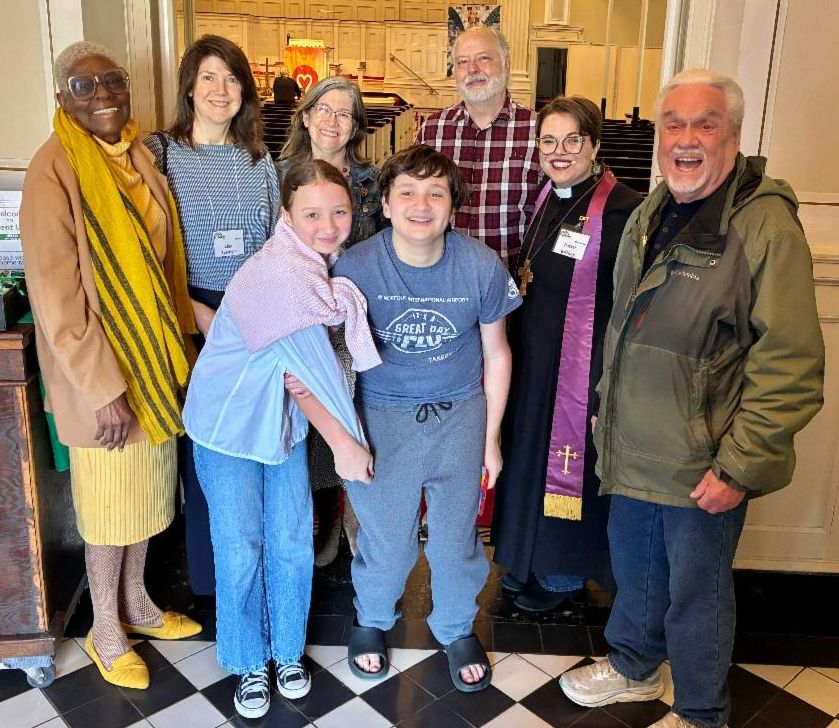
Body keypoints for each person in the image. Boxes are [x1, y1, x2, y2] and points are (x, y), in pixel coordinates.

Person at [559, 69, 825, 728]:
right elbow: (625, 326)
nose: (685, 139)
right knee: (636, 573)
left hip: (703, 460)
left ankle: (702, 712)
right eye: (672, 124)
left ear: (733, 135)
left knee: (695, 594)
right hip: (633, 444)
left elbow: (790, 364)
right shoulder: (652, 210)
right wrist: (605, 406)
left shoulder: (764, 227)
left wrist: (738, 465)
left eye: (704, 124)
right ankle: (634, 669)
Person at [20, 41, 202, 690]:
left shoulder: (135, 154)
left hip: (151, 365)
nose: (101, 94)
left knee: (144, 501)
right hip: (101, 379)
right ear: (61, 97)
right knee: (106, 511)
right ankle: (104, 630)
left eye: (112, 80)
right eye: (83, 85)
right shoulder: (53, 170)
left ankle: (138, 605)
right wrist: (104, 391)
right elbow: (57, 298)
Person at [183, 159, 379, 719]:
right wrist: (348, 446)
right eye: (312, 214)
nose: (328, 225)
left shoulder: (315, 267)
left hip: (280, 425)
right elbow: (309, 376)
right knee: (240, 545)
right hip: (228, 428)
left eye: (338, 212)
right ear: (286, 215)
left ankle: (287, 651)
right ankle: (248, 660)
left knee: (291, 540)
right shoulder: (281, 275)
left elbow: (303, 381)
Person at [331, 144, 521, 692]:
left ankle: (456, 626)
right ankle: (373, 618)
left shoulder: (481, 265)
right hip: (382, 418)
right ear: (386, 204)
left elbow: (497, 353)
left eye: (436, 193)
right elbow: (329, 357)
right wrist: (345, 437)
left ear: (453, 206)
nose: (421, 204)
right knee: (387, 539)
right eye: (408, 192)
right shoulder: (355, 267)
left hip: (460, 416)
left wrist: (491, 438)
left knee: (455, 539)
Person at [491, 97, 642, 612]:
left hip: (581, 368)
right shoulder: (547, 198)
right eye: (549, 141)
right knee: (528, 455)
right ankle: (525, 558)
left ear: (594, 145)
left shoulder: (621, 210)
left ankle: (562, 573)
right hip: (535, 358)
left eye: (572, 140)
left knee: (571, 464)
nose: (559, 152)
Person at [144, 34, 280, 598]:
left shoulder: (258, 159)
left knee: (254, 439)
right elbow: (147, 249)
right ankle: (212, 577)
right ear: (189, 88)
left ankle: (258, 572)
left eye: (231, 78)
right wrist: (191, 309)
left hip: (252, 313)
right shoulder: (161, 154)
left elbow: (277, 242)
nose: (221, 90)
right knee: (205, 446)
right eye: (208, 77)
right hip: (188, 312)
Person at [277, 75, 384, 566]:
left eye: (344, 113)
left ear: (356, 126)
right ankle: (327, 521)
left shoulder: (370, 181)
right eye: (324, 109)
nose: (332, 121)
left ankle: (360, 526)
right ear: (305, 116)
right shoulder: (278, 173)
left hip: (356, 321)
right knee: (312, 428)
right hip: (301, 320)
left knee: (358, 423)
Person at [417, 26, 541, 268]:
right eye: (462, 62)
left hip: (511, 277)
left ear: (506, 64)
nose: (472, 69)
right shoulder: (432, 130)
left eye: (483, 58)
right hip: (442, 275)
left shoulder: (537, 129)